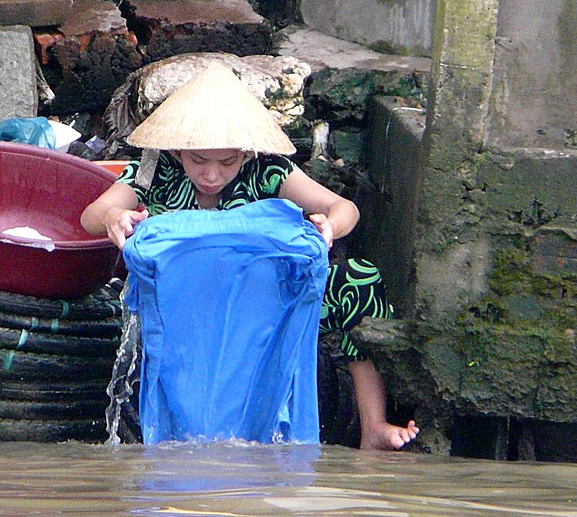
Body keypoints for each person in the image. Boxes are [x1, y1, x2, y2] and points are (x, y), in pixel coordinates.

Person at [82, 61, 419, 451]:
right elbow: (91, 216)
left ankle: (373, 426)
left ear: (244, 153)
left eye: (226, 162)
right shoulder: (151, 173)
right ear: (178, 149)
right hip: (186, 308)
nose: (211, 175)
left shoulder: (269, 171)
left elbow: (345, 208)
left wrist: (330, 227)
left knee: (359, 280)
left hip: (262, 305)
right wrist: (115, 217)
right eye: (198, 160)